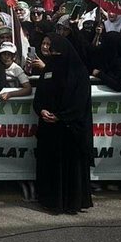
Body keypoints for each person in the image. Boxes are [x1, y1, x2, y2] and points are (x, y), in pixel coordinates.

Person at [32, 34, 93, 214]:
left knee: (71, 168)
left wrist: (61, 117)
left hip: (70, 130)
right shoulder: (48, 69)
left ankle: (72, 202)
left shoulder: (79, 72)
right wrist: (41, 110)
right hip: (49, 129)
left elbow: (80, 103)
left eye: (58, 52)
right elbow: (39, 97)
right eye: (53, 52)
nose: (55, 56)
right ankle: (51, 201)